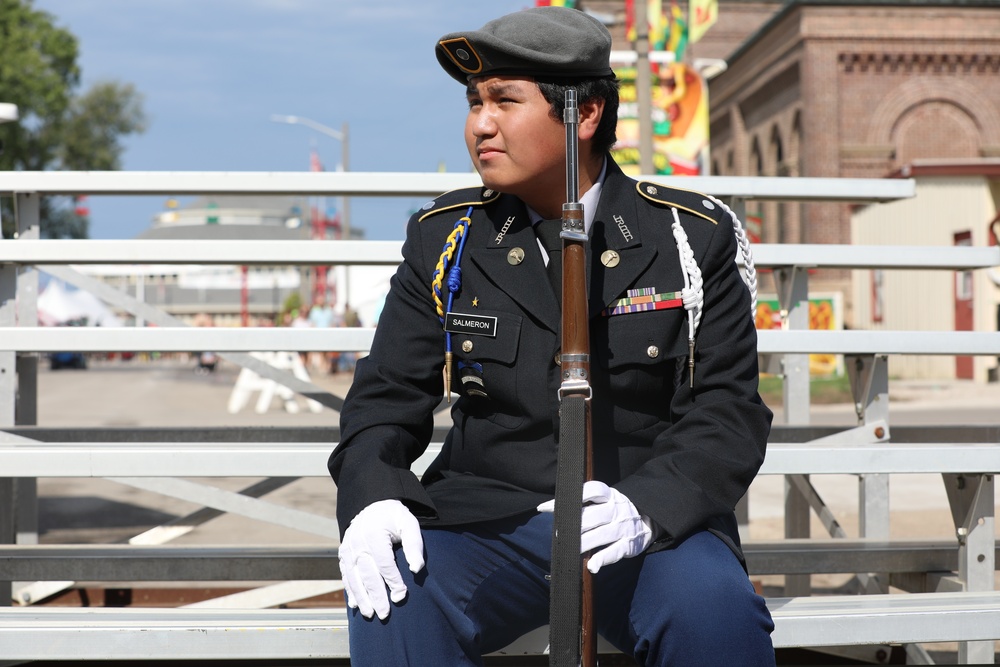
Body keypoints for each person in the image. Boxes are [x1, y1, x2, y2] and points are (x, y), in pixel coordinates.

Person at [328, 6, 774, 666]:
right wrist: (373, 496)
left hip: (644, 526)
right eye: (475, 102)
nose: (480, 124)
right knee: (395, 599)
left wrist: (648, 508)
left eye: (505, 100)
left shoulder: (687, 238)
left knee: (715, 612)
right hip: (488, 525)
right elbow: (384, 398)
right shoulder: (448, 237)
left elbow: (729, 411)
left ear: (584, 115)